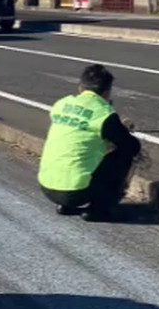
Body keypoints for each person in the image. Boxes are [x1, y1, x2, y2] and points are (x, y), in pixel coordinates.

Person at [38, 64, 141, 221]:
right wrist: (122, 129)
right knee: (123, 154)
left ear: (80, 87)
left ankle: (65, 206)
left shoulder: (61, 104)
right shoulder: (104, 113)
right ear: (107, 92)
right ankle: (98, 209)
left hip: (46, 186)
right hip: (77, 191)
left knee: (74, 150)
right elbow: (132, 146)